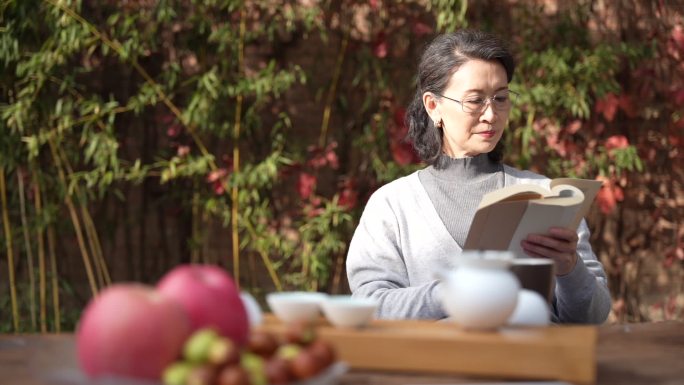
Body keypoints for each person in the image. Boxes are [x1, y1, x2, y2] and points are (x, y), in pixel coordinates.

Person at [345, 29, 611, 324]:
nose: (491, 115)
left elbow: (595, 316)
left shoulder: (545, 195)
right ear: (434, 106)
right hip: (435, 368)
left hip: (533, 366)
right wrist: (451, 293)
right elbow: (370, 306)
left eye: (500, 98)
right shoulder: (393, 205)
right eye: (475, 101)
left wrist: (570, 268)